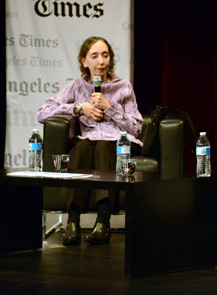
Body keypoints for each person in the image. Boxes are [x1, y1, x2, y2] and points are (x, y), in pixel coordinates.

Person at [37, 36, 143, 246]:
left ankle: (103, 222)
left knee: (104, 147)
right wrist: (78, 108)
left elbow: (137, 127)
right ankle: (72, 222)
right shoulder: (77, 86)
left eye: (105, 55)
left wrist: (109, 107)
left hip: (117, 141)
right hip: (88, 140)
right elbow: (42, 113)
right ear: (83, 61)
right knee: (82, 148)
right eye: (94, 56)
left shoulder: (123, 86)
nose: (101, 61)